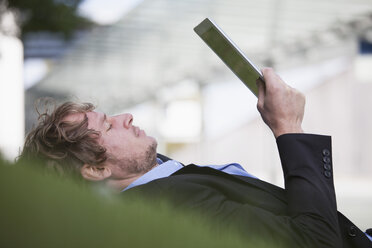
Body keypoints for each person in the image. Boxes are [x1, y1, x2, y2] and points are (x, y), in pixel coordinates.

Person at [20, 68, 371, 247]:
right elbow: (314, 243)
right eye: (108, 127)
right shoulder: (171, 205)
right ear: (96, 170)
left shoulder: (160, 180)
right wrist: (289, 128)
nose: (125, 116)